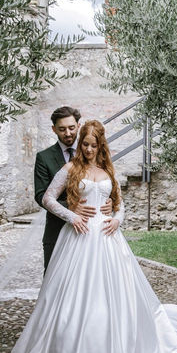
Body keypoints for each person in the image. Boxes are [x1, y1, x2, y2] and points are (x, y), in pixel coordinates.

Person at [11, 120, 177, 353]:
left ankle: (116, 350)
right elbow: (48, 198)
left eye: (93, 145)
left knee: (113, 294)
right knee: (72, 295)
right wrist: (72, 215)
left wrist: (117, 220)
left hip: (108, 238)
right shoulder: (71, 168)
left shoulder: (108, 171)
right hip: (78, 237)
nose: (88, 149)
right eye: (84, 144)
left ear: (101, 145)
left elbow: (120, 206)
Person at [34, 106, 112, 271]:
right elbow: (41, 195)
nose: (68, 133)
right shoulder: (44, 157)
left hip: (92, 234)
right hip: (56, 229)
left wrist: (109, 201)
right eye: (62, 129)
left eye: (71, 127)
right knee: (55, 279)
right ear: (54, 129)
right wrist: (71, 207)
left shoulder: (92, 151)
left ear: (78, 126)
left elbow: (104, 183)